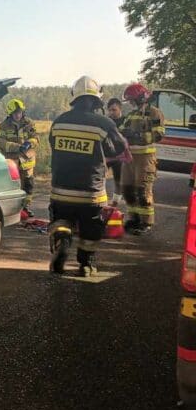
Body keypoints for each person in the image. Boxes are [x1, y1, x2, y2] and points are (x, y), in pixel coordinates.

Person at [48, 76, 127, 277]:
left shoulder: (59, 122)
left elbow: (52, 144)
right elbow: (118, 147)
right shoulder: (103, 123)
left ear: (75, 98)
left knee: (61, 221)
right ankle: (86, 265)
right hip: (91, 193)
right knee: (90, 230)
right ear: (96, 101)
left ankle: (62, 242)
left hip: (61, 190)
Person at [120, 83, 165, 235]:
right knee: (127, 189)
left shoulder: (154, 113)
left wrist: (139, 136)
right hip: (129, 158)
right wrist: (123, 132)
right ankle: (134, 219)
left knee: (143, 190)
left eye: (132, 100)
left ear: (140, 98)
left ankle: (146, 222)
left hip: (145, 158)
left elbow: (159, 134)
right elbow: (121, 131)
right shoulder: (131, 114)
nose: (131, 103)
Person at [0, 98, 39, 217]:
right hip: (12, 162)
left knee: (28, 185)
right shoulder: (3, 126)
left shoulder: (29, 123)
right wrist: (15, 147)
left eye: (19, 112)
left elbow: (36, 137)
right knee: (13, 186)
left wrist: (30, 143)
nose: (18, 115)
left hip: (27, 161)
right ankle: (13, 210)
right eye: (15, 113)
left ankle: (26, 207)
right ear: (10, 114)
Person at [106, 97, 125, 205]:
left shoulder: (126, 121)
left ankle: (115, 203)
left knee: (118, 181)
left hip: (120, 156)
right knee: (99, 177)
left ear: (120, 108)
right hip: (107, 155)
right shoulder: (106, 121)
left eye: (114, 110)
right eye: (110, 110)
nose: (112, 112)